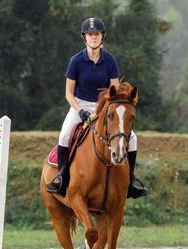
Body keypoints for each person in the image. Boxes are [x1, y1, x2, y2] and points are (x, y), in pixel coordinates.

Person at [46, 17, 148, 199]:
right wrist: (81, 111)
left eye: (97, 34)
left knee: (132, 139)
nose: (93, 37)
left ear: (102, 37)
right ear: (84, 37)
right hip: (80, 106)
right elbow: (68, 93)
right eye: (90, 34)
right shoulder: (76, 61)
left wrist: (103, 110)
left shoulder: (110, 61)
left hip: (104, 107)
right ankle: (61, 179)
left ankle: (131, 182)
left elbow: (114, 92)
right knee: (64, 135)